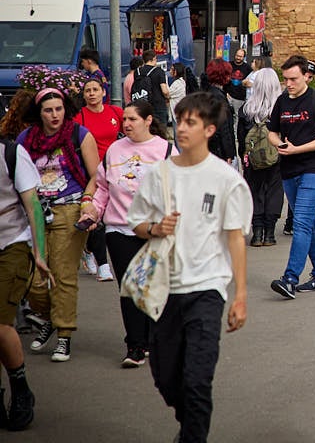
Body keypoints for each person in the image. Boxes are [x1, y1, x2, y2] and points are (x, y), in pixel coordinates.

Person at [128, 90, 251, 441]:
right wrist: (155, 228)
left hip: (207, 290)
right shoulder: (159, 174)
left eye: (190, 123)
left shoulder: (227, 180)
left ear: (209, 130)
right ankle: (189, 424)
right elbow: (136, 222)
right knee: (167, 378)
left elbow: (236, 239)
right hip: (165, 289)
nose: (181, 128)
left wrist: (240, 296)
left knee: (198, 379)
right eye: (179, 121)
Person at [15, 88, 100, 363]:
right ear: (39, 114)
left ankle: (64, 335)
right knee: (33, 281)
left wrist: (88, 201)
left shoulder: (79, 135)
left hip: (69, 210)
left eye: (59, 109)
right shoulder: (26, 139)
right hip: (35, 213)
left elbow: (95, 176)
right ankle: (52, 318)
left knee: (63, 276)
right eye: (48, 110)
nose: (55, 115)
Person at [92, 100, 174, 367]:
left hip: (155, 230)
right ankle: (135, 346)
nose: (126, 124)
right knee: (129, 289)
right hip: (119, 228)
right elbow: (102, 187)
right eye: (124, 119)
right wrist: (92, 211)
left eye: (132, 119)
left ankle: (153, 337)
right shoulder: (114, 151)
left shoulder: (166, 151)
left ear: (148, 120)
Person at [268, 55, 315, 299]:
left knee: (302, 221)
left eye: (293, 79)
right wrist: (280, 144)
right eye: (285, 79)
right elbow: (272, 132)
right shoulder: (282, 101)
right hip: (290, 168)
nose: (289, 83)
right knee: (307, 223)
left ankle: (290, 278)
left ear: (306, 76)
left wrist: (297, 149)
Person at [0, 98, 49, 430]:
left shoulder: (11, 153)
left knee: (0, 323)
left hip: (11, 243)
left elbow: (32, 206)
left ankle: (20, 390)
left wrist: (40, 253)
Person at [74, 75, 123, 282]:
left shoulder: (115, 112)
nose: (92, 94)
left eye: (95, 90)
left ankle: (87, 248)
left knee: (108, 215)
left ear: (104, 92)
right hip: (90, 173)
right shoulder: (80, 117)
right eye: (88, 91)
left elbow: (128, 133)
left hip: (114, 171)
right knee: (96, 216)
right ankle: (103, 264)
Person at [239, 67, 284, 247]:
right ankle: (270, 234)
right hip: (276, 156)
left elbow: (241, 136)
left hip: (253, 158)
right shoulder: (280, 108)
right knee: (274, 190)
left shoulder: (247, 109)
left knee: (255, 190)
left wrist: (244, 154)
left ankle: (257, 233)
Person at [203, 60, 237, 165]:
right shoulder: (218, 96)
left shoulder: (209, 91)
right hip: (219, 149)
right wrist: (229, 153)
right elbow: (223, 127)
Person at [226, 48, 253, 136]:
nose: (238, 58)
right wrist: (225, 93)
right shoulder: (229, 65)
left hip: (240, 97)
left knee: (237, 118)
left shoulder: (247, 68)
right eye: (237, 56)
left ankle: (235, 136)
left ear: (244, 57)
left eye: (240, 56)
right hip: (228, 95)